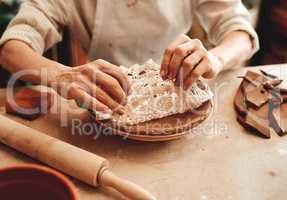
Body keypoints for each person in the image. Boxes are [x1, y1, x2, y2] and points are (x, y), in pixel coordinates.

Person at [0, 0, 259, 114]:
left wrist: (214, 59)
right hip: (101, 95)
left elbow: (241, 34)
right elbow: (11, 47)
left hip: (177, 87)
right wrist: (61, 74)